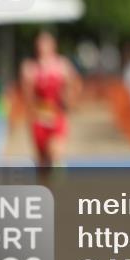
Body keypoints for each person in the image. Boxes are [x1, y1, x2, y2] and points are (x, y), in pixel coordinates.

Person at [19, 31, 80, 169]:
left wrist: (69, 100)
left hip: (57, 116)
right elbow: (27, 96)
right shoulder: (29, 67)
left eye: (46, 44)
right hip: (39, 118)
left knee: (56, 153)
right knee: (42, 162)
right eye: (40, 44)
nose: (43, 47)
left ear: (53, 45)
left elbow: (75, 84)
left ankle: (59, 187)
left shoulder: (62, 65)